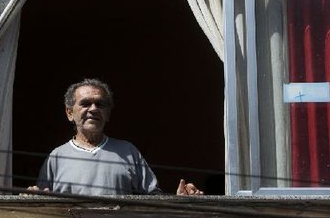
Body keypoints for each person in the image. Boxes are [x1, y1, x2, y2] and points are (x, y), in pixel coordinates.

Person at [28, 78, 204, 196]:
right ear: (69, 113)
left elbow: (153, 200)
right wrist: (31, 198)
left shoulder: (128, 151)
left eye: (100, 104)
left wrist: (179, 199)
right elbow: (43, 203)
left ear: (108, 113)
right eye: (85, 103)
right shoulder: (57, 157)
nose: (93, 109)